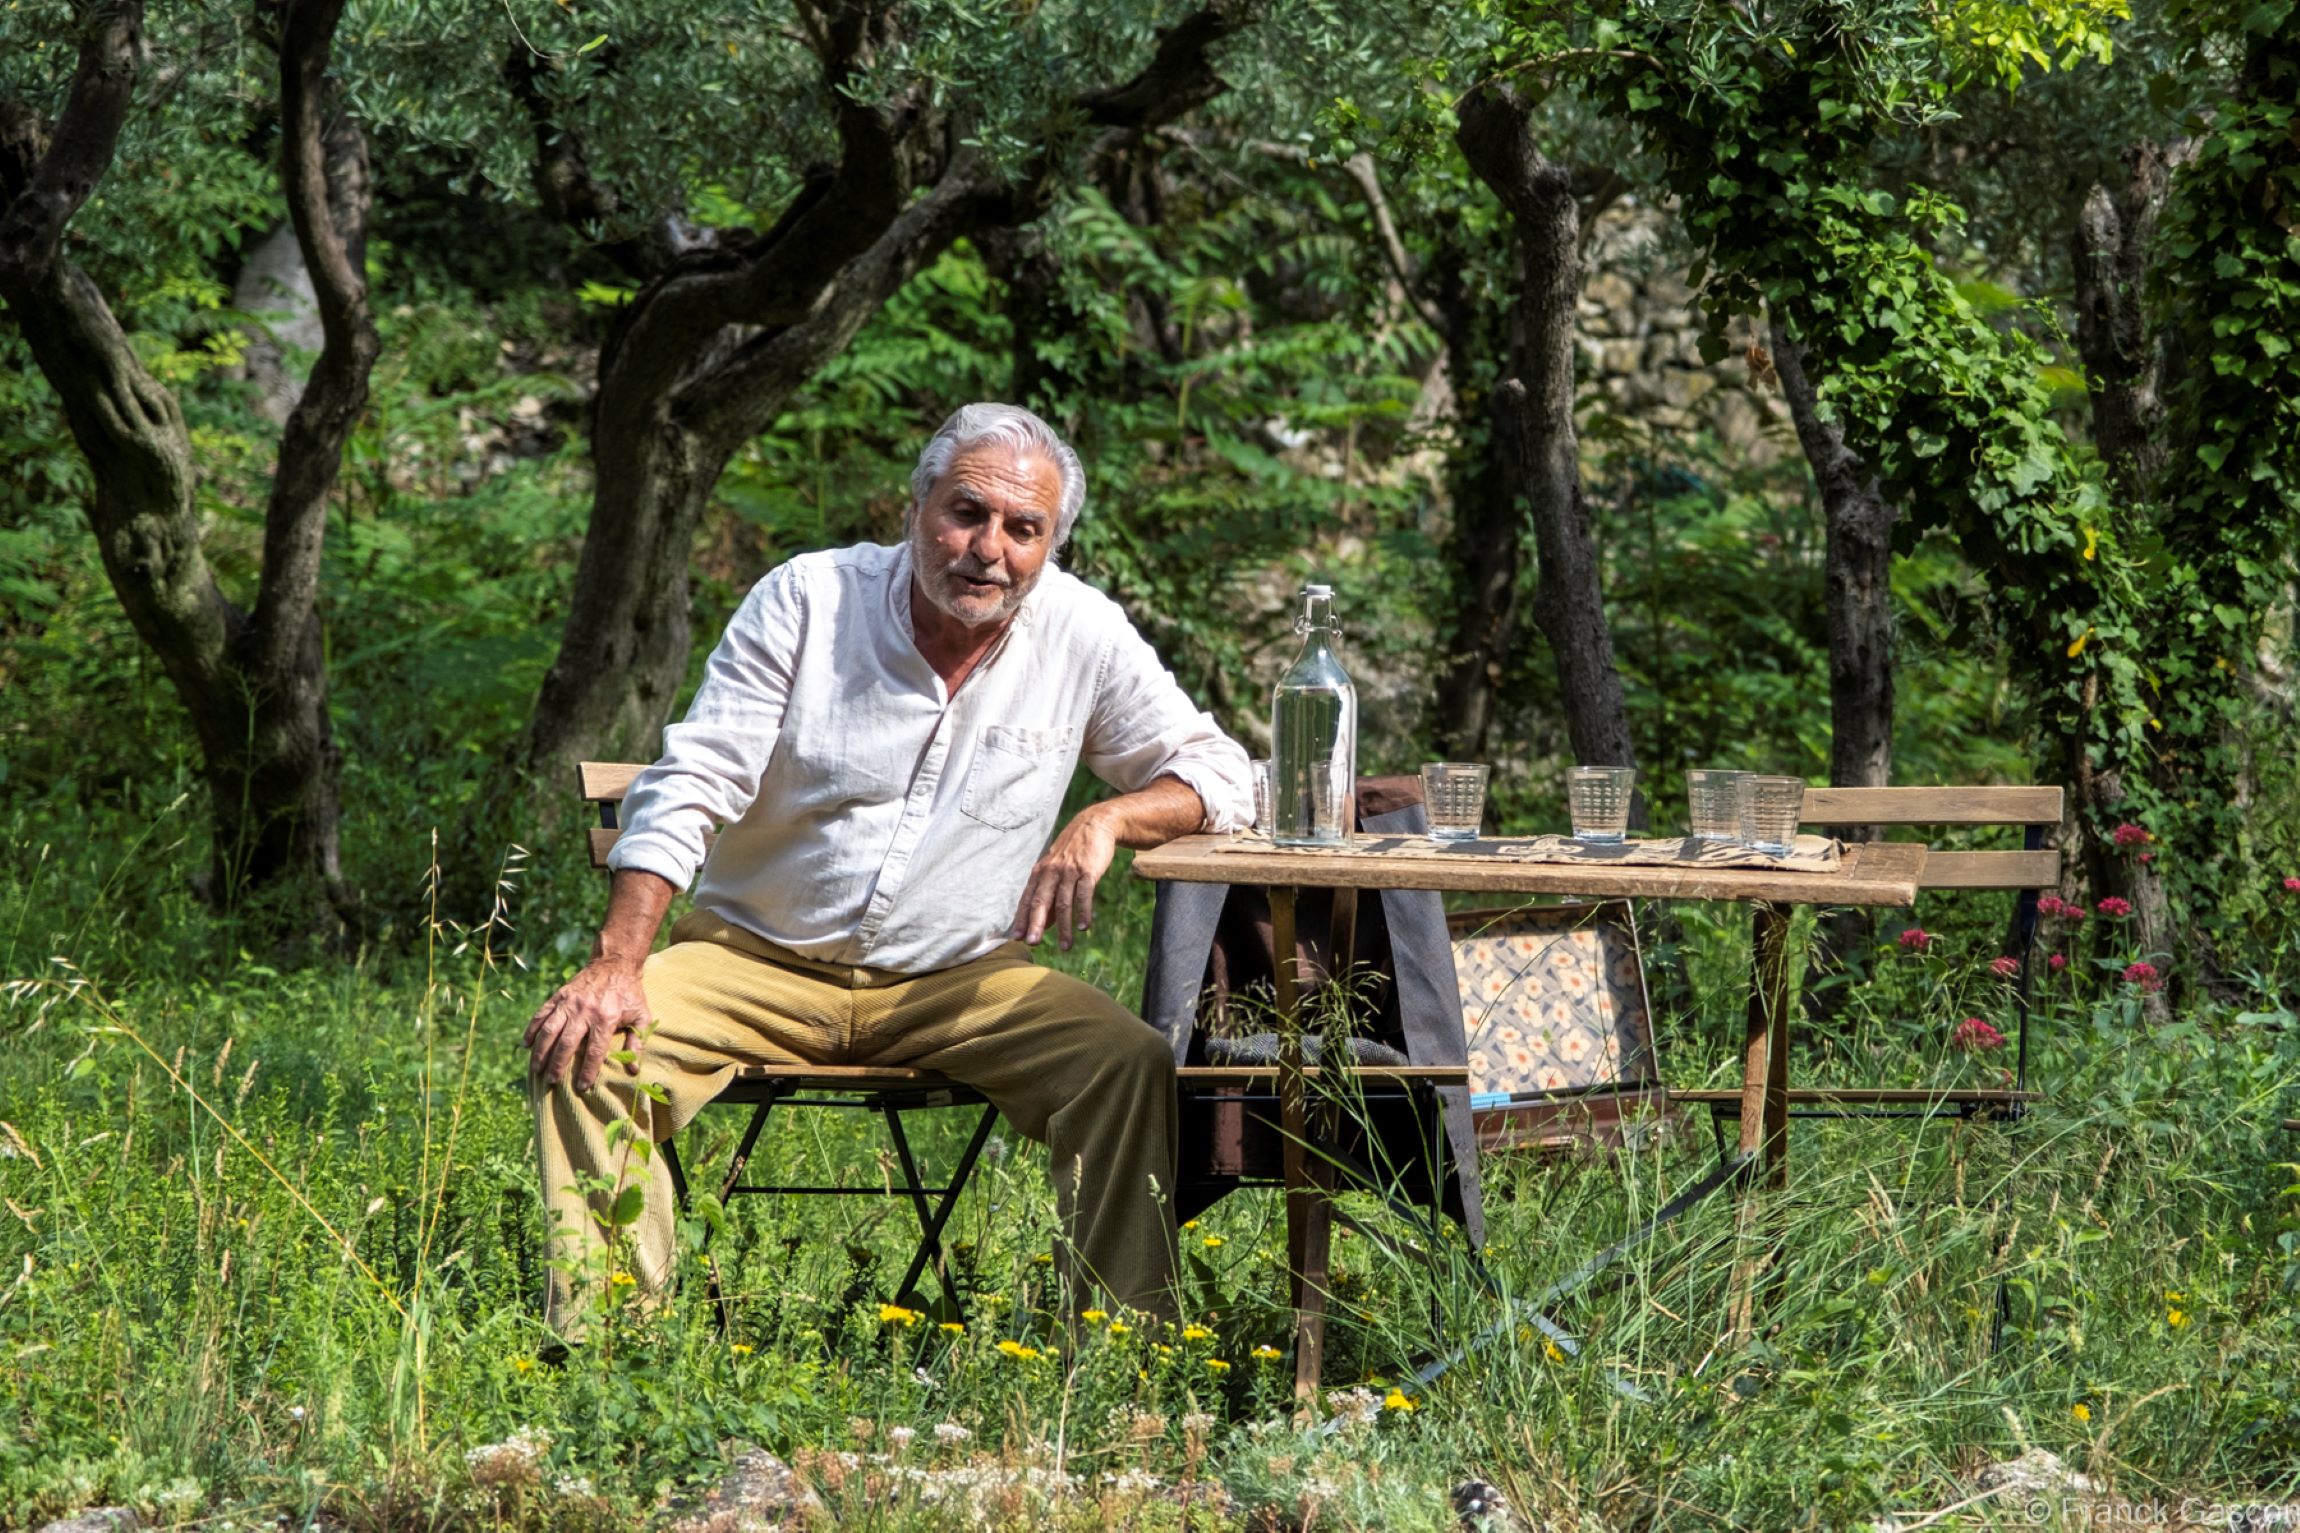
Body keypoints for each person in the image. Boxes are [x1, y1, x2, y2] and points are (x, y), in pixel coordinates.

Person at [523, 402, 1253, 1336]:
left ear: (1050, 545)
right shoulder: (809, 600)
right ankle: (613, 1356)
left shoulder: (1082, 632)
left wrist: (1112, 813)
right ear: (916, 508)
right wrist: (618, 961)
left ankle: (1121, 1362)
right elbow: (693, 779)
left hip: (960, 983)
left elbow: (1225, 772)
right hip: (756, 962)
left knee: (1127, 1062)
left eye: (1023, 528)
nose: (988, 548)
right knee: (589, 1052)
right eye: (967, 512)